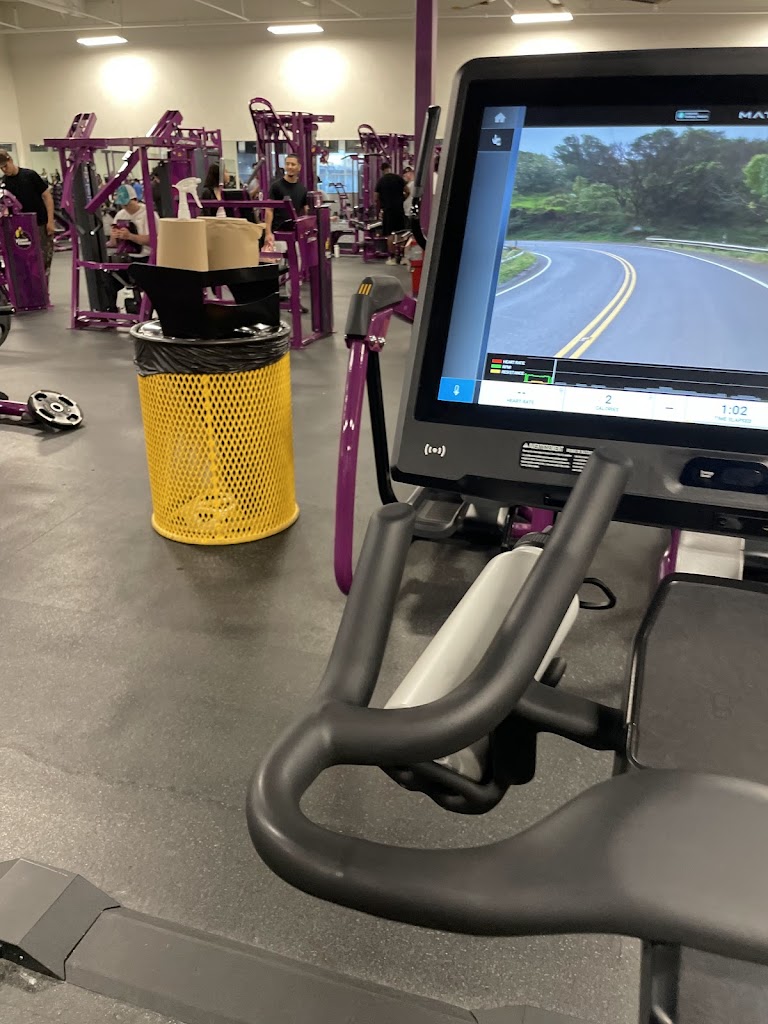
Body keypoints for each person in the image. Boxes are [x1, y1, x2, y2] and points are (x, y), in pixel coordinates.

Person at [0, 149, 55, 279]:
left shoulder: (30, 175)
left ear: (10, 160)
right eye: (1, 168)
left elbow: (47, 196)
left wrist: (50, 221)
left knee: (43, 263)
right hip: (20, 230)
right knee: (26, 266)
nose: (4, 170)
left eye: (5, 166)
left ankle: (44, 291)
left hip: (40, 224)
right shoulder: (4, 183)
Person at [106, 183, 159, 312]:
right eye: (122, 204)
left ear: (135, 199)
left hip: (146, 258)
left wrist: (130, 236)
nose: (125, 207)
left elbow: (154, 241)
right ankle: (110, 311)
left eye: (127, 203)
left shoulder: (149, 215)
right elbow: (113, 243)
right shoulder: (120, 215)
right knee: (107, 279)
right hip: (126, 258)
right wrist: (115, 236)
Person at [264, 155, 308, 248]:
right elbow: (269, 210)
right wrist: (268, 233)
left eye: (293, 164)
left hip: (295, 234)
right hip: (278, 234)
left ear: (299, 167)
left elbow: (305, 212)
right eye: (287, 164)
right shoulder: (276, 186)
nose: (290, 167)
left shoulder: (302, 189)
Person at [374, 161, 407, 265]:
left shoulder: (381, 181)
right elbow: (408, 191)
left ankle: (392, 258)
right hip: (399, 209)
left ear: (382, 170)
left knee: (390, 234)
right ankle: (402, 257)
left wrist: (381, 206)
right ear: (390, 168)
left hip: (388, 210)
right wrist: (402, 199)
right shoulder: (398, 178)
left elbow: (375, 197)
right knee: (401, 232)